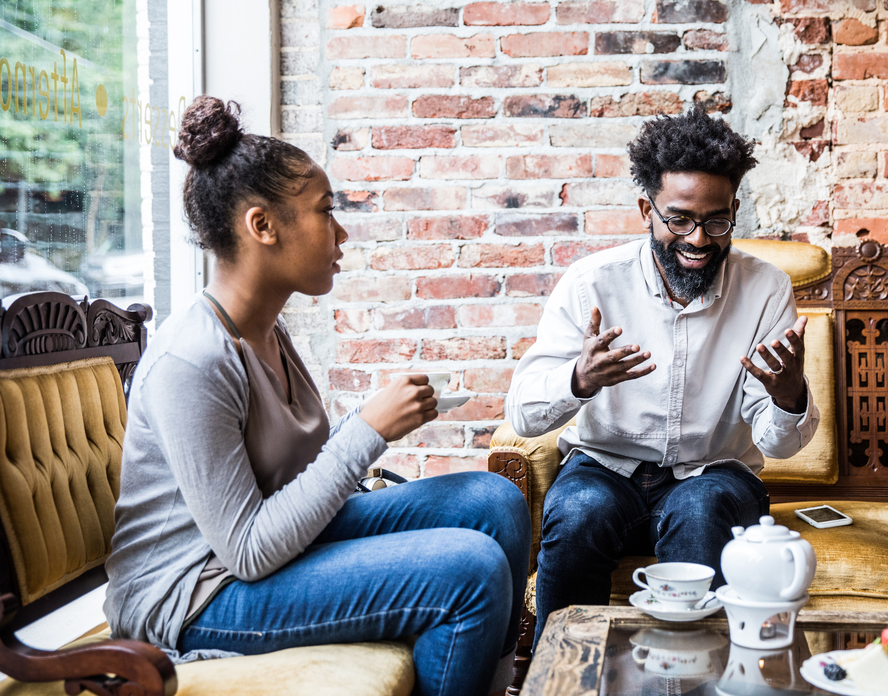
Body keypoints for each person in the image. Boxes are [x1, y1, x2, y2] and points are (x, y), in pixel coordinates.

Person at [104, 96, 530, 696]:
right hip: (193, 593)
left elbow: (292, 487)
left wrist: (367, 443)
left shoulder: (266, 330)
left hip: (252, 561)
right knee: (471, 570)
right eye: (325, 210)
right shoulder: (190, 360)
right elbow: (248, 549)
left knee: (494, 500)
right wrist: (366, 431)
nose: (342, 231)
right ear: (263, 226)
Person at [505, 107, 820, 643]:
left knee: (699, 510)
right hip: (605, 466)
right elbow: (523, 414)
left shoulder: (765, 289)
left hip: (713, 471)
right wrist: (579, 379)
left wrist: (789, 396)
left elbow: (779, 443)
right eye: (679, 219)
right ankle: (562, 675)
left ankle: (694, 679)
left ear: (734, 211)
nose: (699, 239)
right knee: (580, 511)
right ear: (645, 210)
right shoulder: (591, 285)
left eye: (716, 221)